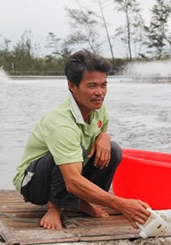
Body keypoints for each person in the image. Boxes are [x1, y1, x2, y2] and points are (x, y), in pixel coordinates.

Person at [13, 49, 150, 230]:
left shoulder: (98, 108)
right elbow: (72, 180)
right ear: (72, 86)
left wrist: (104, 136)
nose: (100, 92)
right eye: (92, 86)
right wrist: (120, 203)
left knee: (113, 150)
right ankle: (54, 206)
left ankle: (80, 203)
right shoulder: (61, 123)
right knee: (69, 154)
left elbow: (102, 130)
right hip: (33, 183)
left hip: (68, 171)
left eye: (104, 85)